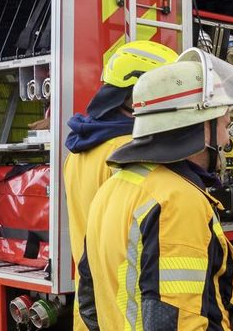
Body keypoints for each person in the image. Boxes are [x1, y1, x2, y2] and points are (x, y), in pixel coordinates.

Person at [75, 48, 233, 330]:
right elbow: (179, 322)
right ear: (200, 125)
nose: (227, 140)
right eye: (225, 125)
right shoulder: (178, 201)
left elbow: (89, 304)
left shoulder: (115, 186)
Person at [64, 40, 177, 331]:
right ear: (133, 96)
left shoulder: (81, 151)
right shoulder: (129, 152)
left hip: (92, 311)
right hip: (126, 314)